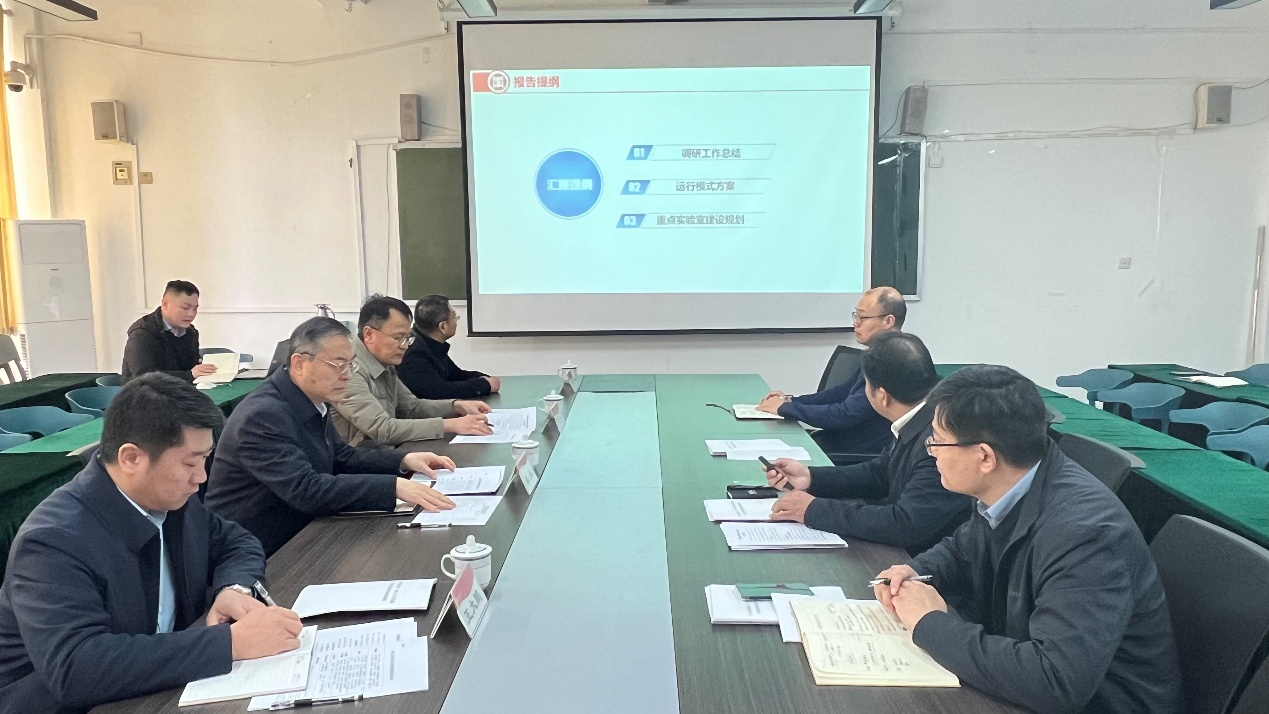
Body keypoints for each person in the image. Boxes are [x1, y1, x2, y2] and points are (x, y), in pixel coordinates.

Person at [872, 365, 1182, 713]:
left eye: (938, 442)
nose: (932, 452)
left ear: (984, 457)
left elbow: (1055, 681)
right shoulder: (1009, 483)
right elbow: (963, 549)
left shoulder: (1086, 535)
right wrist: (916, 571)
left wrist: (929, 624)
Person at [0, 374, 304, 712]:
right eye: (190, 462)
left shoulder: (170, 499)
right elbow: (76, 668)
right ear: (131, 458)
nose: (201, 477)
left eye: (205, 459)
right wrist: (230, 643)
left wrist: (234, 589)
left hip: (158, 687)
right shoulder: (52, 541)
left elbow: (236, 542)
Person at [205, 317, 456, 556]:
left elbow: (340, 457)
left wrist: (403, 460)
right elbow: (306, 490)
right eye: (338, 364)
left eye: (351, 364)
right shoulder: (262, 415)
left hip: (304, 529)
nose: (347, 375)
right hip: (260, 548)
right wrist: (393, 487)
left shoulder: (311, 398)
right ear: (300, 363)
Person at [763, 332, 971, 553]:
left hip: (924, 558)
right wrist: (810, 478)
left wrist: (814, 509)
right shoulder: (918, 417)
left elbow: (906, 524)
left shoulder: (939, 440)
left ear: (882, 396)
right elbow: (879, 474)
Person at [757, 287, 906, 456]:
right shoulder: (878, 352)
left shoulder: (891, 359)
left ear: (888, 321)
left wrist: (787, 409)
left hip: (858, 453)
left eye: (863, 317)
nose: (856, 323)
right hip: (841, 440)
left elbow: (845, 414)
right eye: (856, 315)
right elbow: (840, 393)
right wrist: (790, 401)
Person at [332, 295, 493, 448]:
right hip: (361, 461)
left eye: (407, 338)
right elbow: (383, 429)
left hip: (385, 454)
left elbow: (412, 408)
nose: (404, 346)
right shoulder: (348, 371)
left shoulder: (384, 362)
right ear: (369, 334)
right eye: (398, 338)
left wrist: (456, 406)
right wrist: (450, 424)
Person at [397, 295, 500, 399]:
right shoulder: (415, 353)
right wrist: (484, 385)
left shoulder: (430, 344)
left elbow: (455, 375)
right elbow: (438, 391)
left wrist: (484, 378)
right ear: (443, 326)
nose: (456, 321)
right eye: (455, 317)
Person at [121, 280, 218, 384]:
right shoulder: (142, 334)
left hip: (180, 389)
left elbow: (190, 367)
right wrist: (189, 374)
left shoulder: (191, 332)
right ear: (165, 304)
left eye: (195, 309)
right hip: (144, 392)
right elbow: (143, 376)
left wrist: (200, 366)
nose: (191, 314)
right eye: (185, 308)